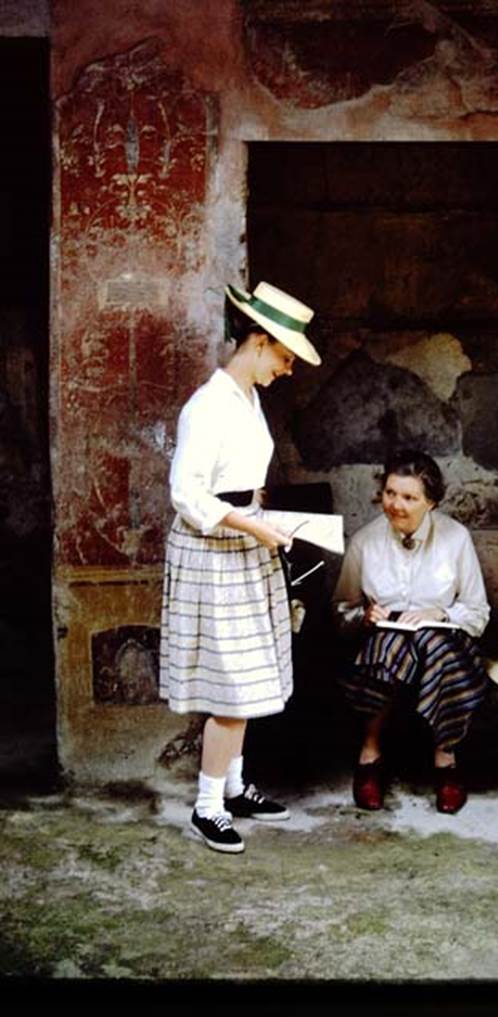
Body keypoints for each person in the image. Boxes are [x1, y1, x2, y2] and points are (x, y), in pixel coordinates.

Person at [159, 281, 321, 853]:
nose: (288, 368)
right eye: (284, 356)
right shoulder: (207, 406)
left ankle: (232, 784)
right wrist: (253, 525)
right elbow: (187, 494)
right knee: (231, 685)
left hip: (245, 540)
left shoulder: (248, 398)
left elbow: (240, 484)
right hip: (215, 550)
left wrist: (264, 520)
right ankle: (208, 807)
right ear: (258, 341)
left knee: (250, 674)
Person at [332, 449, 490, 815]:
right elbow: (340, 610)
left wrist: (440, 612)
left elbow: (478, 612)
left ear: (430, 502)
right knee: (387, 645)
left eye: (409, 497)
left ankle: (445, 761)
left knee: (435, 646)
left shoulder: (455, 538)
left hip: (444, 637)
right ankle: (369, 756)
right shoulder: (365, 541)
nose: (396, 505)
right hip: (386, 639)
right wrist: (365, 616)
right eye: (390, 493)